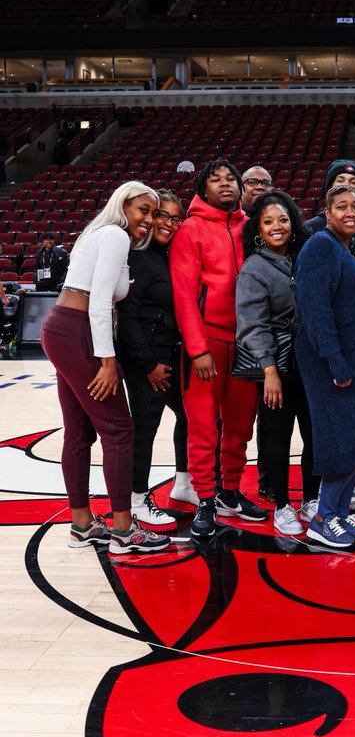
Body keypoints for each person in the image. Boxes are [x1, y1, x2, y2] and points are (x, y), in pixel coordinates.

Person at [39, 181, 172, 556]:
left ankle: (81, 525)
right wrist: (108, 361)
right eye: (142, 210)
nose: (147, 220)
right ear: (123, 204)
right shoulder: (114, 234)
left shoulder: (101, 235)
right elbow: (99, 302)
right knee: (118, 429)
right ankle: (124, 531)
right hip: (78, 327)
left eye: (153, 213)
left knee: (79, 432)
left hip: (62, 326)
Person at [169, 158, 266, 539]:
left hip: (246, 342)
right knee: (204, 427)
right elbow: (184, 296)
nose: (225, 184)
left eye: (231, 179)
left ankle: (230, 492)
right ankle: (205, 500)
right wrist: (197, 349)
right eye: (216, 179)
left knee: (241, 426)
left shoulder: (250, 227)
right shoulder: (190, 230)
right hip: (206, 341)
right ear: (202, 188)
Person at [294, 184, 355, 550]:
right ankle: (322, 518)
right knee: (343, 440)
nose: (351, 211)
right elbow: (315, 311)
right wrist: (335, 361)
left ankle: (339, 511)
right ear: (327, 213)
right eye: (342, 206)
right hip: (332, 362)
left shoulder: (343, 250)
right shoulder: (320, 245)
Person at [236, 191, 319, 535]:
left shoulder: (305, 255)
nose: (277, 226)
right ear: (258, 228)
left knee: (314, 434)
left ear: (293, 223)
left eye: (283, 219)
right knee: (278, 437)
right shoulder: (254, 267)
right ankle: (283, 505)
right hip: (277, 367)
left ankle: (311, 499)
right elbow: (253, 324)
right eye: (268, 221)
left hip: (310, 361)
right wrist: (269, 371)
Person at [116, 191, 195, 529]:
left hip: (170, 353)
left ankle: (183, 483)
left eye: (176, 218)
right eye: (163, 215)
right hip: (147, 358)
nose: (169, 223)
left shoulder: (166, 255)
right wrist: (147, 364)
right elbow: (128, 316)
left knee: (190, 415)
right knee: (145, 429)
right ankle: (136, 501)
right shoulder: (136, 257)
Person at [305, 159, 355, 234]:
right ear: (329, 189)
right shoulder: (310, 228)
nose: (346, 185)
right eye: (340, 181)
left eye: (353, 182)